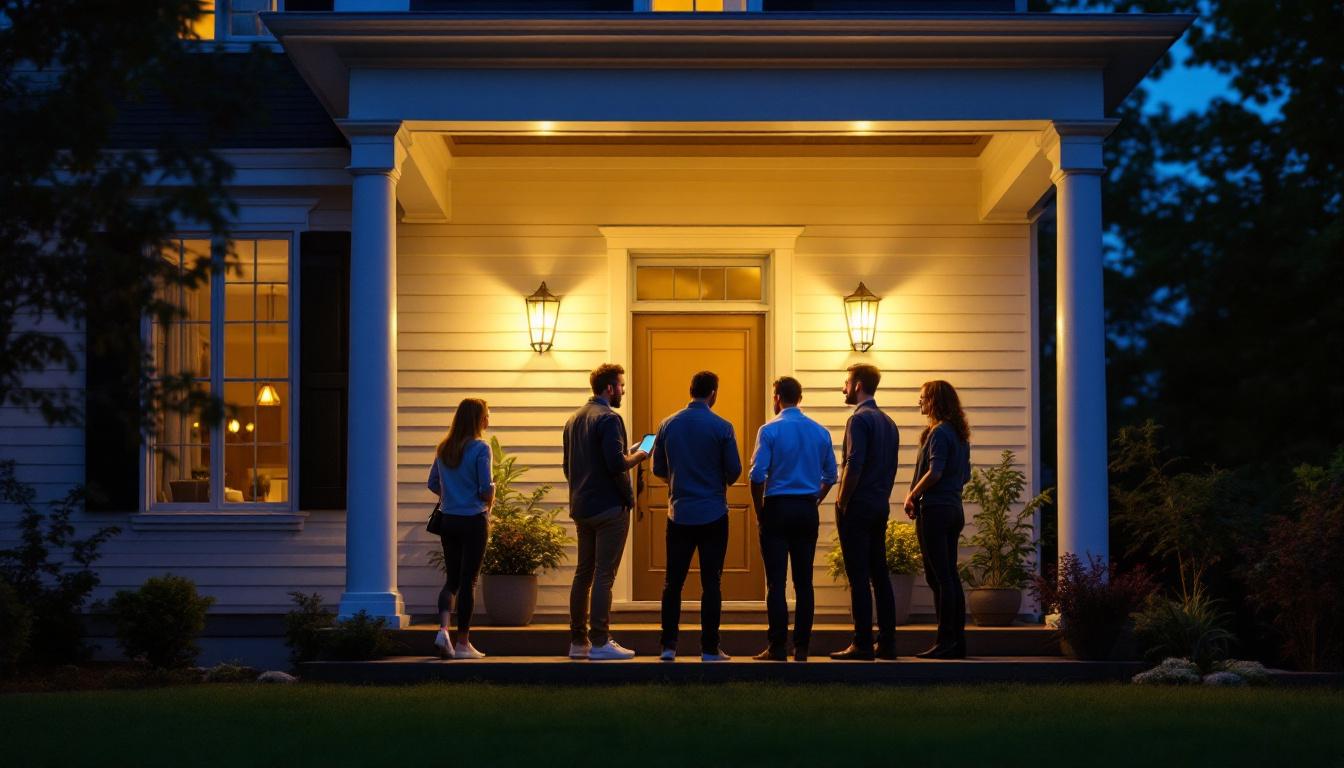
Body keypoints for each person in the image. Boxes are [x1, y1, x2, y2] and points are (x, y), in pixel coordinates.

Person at [652, 370, 742, 663]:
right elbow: (734, 470)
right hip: (713, 513)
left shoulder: (667, 424)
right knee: (711, 583)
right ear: (713, 393)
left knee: (672, 582)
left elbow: (658, 469)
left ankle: (668, 646)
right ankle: (709, 648)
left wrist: (679, 482)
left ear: (691, 390)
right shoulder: (722, 427)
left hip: (678, 513)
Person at [563, 363, 648, 660]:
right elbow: (615, 465)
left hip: (582, 506)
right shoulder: (610, 419)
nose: (623, 390)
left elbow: (568, 467)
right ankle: (600, 641)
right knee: (604, 575)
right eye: (621, 386)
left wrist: (626, 451)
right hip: (609, 508)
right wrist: (638, 455)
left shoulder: (573, 420)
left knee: (583, 573)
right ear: (609, 388)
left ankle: (578, 641)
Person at [748, 376, 837, 662]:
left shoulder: (769, 430)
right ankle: (802, 647)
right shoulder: (820, 432)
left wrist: (760, 510)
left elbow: (757, 474)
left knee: (776, 582)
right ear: (800, 398)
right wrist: (816, 498)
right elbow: (831, 476)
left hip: (777, 506)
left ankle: (777, 647)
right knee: (804, 581)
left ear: (777, 397)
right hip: (805, 509)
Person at [831, 363, 901, 661]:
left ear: (858, 385)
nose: (843, 388)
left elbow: (853, 464)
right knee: (880, 575)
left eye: (846, 383)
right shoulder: (889, 422)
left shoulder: (858, 421)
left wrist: (841, 500)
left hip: (858, 505)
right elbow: (891, 467)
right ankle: (886, 643)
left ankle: (861, 643)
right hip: (879, 504)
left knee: (859, 575)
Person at [903, 379, 972, 659]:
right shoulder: (958, 435)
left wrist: (912, 495)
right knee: (949, 576)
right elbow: (964, 476)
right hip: (954, 509)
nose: (919, 402)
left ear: (934, 400)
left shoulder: (940, 432)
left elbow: (935, 471)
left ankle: (945, 642)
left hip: (936, 510)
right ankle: (957, 641)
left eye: (922, 397)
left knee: (939, 577)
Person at [427, 397, 495, 660]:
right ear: (478, 419)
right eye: (487, 414)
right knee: (469, 581)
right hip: (473, 520)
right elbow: (484, 488)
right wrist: (492, 493)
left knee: (452, 581)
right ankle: (464, 644)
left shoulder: (444, 448)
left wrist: (451, 495)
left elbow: (433, 482)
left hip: (449, 520)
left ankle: (443, 630)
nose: (489, 419)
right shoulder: (480, 448)